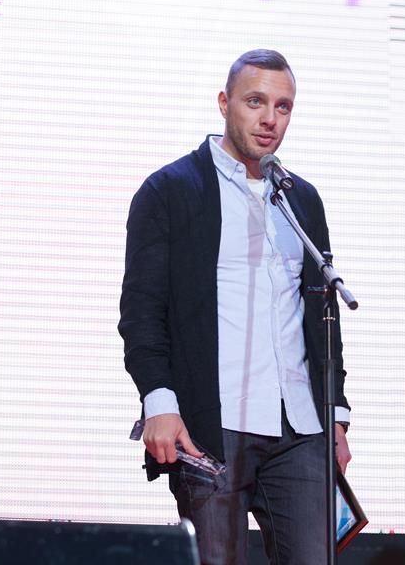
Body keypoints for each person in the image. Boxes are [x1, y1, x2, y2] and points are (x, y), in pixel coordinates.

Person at [119, 49, 351, 565]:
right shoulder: (170, 190)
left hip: (300, 428)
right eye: (255, 102)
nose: (270, 119)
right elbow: (141, 311)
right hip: (213, 427)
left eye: (283, 107)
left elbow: (322, 318)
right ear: (225, 103)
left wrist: (336, 414)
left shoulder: (301, 199)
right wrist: (159, 401)